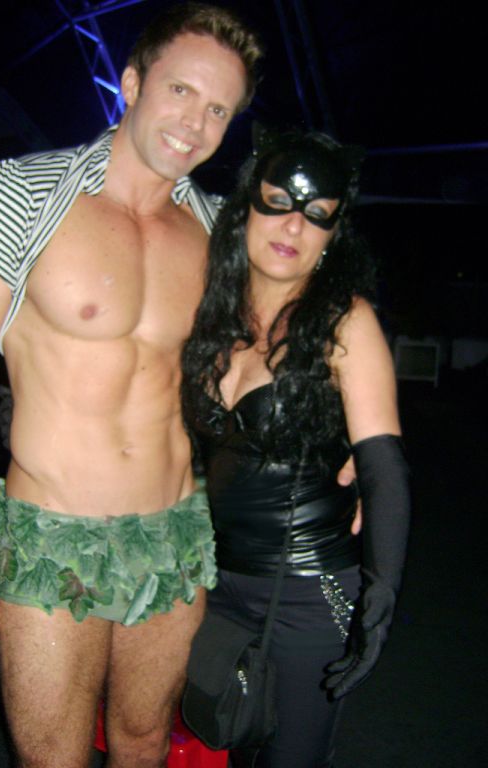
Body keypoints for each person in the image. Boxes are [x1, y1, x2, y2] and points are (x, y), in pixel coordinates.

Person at [0, 4, 263, 767]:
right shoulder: (21, 196)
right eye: (180, 91)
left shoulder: (215, 230)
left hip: (173, 531)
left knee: (145, 741)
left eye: (218, 109)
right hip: (52, 535)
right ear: (131, 84)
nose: (195, 123)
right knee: (52, 756)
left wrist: (342, 455)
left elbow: (245, 371)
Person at [181, 128, 411, 768]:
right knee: (230, 738)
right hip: (217, 583)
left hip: (310, 589)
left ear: (333, 234)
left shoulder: (343, 318)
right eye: (279, 202)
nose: (293, 226)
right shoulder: (211, 312)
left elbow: (384, 468)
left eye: (317, 215)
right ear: (246, 209)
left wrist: (382, 594)